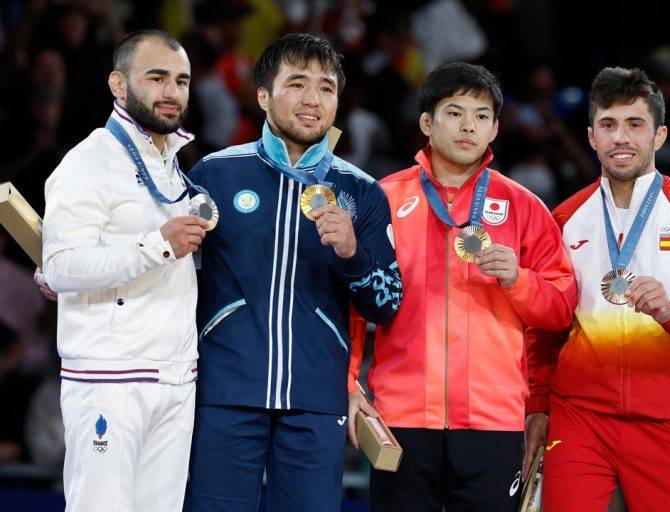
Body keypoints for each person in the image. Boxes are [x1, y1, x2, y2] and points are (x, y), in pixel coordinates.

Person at [183, 34, 402, 512]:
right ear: (263, 95)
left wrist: (353, 254)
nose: (312, 99)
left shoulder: (361, 192)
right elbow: (174, 278)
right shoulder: (215, 175)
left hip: (316, 400)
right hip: (224, 391)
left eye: (326, 88)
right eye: (297, 84)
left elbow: (386, 303)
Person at [347, 62, 578, 512]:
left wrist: (519, 281)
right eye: (454, 112)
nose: (468, 125)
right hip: (402, 417)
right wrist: (350, 386)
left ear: (495, 129)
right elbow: (351, 303)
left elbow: (560, 312)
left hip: (493, 423)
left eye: (482, 114)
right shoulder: (383, 198)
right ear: (427, 123)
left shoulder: (524, 207)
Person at [529, 67, 670, 511]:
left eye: (635, 125)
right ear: (591, 137)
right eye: (608, 125)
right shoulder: (564, 221)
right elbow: (545, 328)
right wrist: (537, 406)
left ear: (659, 135)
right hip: (580, 418)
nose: (620, 138)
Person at [41, 30, 208, 511]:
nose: (172, 92)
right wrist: (157, 245)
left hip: (175, 378)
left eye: (181, 80)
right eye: (156, 78)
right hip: (109, 381)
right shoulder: (89, 161)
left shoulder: (172, 165)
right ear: (118, 83)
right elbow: (58, 266)